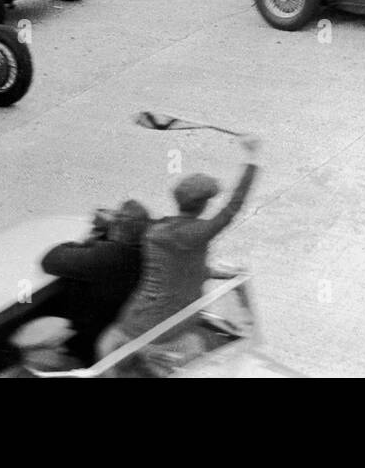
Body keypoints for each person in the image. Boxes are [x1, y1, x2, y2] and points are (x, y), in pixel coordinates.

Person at [99, 135, 261, 376]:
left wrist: (214, 272)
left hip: (133, 319)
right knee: (196, 353)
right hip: (165, 328)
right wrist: (252, 158)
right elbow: (232, 208)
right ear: (204, 205)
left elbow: (174, 270)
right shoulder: (197, 233)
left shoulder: (157, 230)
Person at [41, 200, 150, 365]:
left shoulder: (108, 256)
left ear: (117, 229)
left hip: (89, 340)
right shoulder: (152, 250)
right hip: (123, 325)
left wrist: (92, 238)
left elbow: (50, 259)